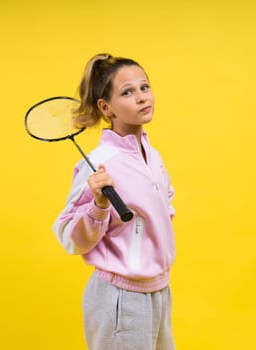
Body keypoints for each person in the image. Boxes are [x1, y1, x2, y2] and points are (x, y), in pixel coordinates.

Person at [53, 53, 176, 350]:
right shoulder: (99, 164)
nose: (142, 97)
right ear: (106, 107)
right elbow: (70, 237)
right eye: (127, 92)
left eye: (144, 87)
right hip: (120, 298)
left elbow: (162, 208)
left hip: (158, 290)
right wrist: (99, 205)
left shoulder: (153, 156)